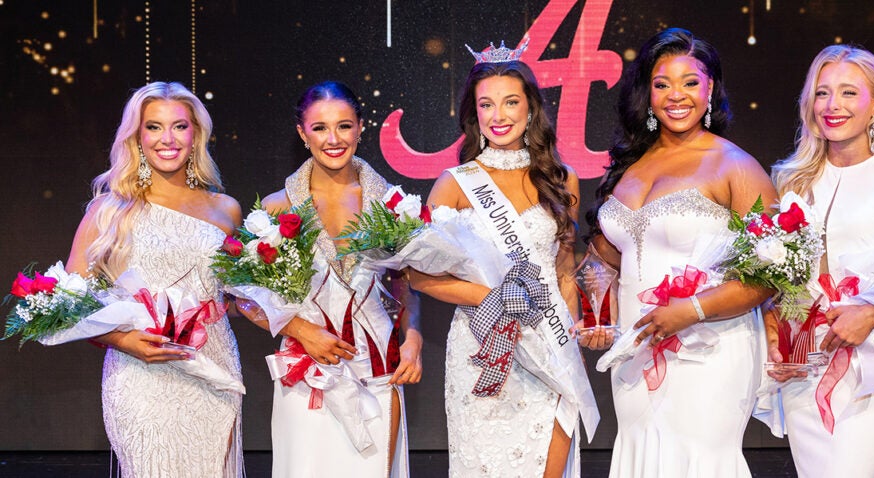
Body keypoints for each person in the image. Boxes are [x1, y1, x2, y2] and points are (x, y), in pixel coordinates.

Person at [583, 28, 777, 477]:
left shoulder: (734, 165)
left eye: (691, 82)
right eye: (662, 83)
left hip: (709, 349)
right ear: (646, 93)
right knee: (642, 454)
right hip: (636, 348)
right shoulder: (629, 166)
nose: (677, 95)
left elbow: (770, 274)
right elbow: (605, 260)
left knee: (698, 460)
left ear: (711, 89)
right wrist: (596, 313)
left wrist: (690, 309)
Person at [408, 43, 599, 478]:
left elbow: (564, 269)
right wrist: (496, 297)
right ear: (473, 114)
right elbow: (419, 276)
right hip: (483, 346)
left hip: (548, 339)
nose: (499, 115)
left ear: (531, 109)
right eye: (486, 104)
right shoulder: (456, 183)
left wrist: (571, 333)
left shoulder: (560, 177)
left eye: (511, 102)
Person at [764, 45, 874, 477]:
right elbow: (772, 278)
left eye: (848, 93)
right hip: (804, 360)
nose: (832, 106)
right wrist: (772, 328)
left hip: (872, 362)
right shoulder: (789, 179)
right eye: (822, 93)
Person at [242, 80, 422, 478]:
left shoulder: (393, 203)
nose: (333, 138)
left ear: (360, 127)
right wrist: (302, 330)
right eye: (320, 127)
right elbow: (245, 297)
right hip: (308, 372)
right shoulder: (276, 207)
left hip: (379, 369)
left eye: (344, 125)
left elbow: (404, 284)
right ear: (302, 134)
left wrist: (413, 338)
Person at [65, 82, 245, 477]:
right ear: (136, 136)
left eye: (179, 126)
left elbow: (237, 296)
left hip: (214, 370)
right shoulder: (109, 210)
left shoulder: (226, 209)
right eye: (154, 127)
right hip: (139, 375)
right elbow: (70, 302)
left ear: (196, 134)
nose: (168, 139)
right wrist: (122, 340)